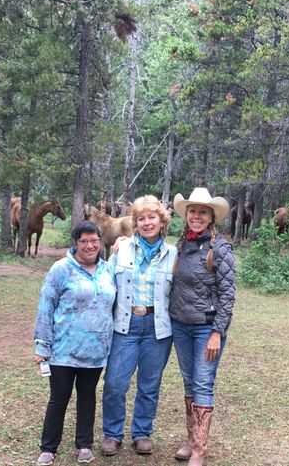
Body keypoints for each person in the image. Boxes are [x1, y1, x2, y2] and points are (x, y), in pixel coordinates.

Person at [34, 221, 116, 466]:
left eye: (94, 240)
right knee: (59, 398)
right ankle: (48, 448)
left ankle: (84, 445)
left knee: (87, 396)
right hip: (63, 349)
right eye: (84, 241)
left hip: (95, 349)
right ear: (76, 243)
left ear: (100, 242)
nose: (89, 245)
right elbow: (46, 306)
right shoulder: (61, 269)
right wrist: (42, 345)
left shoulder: (108, 270)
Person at [101, 195, 177, 456]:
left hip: (158, 326)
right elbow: (105, 281)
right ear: (135, 222)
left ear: (162, 221)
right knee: (114, 382)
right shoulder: (121, 248)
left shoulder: (173, 254)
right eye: (141, 218)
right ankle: (112, 434)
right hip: (125, 324)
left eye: (152, 217)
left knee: (149, 384)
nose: (147, 223)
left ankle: (142, 432)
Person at [170, 187, 235, 466]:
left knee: (203, 383)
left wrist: (217, 333)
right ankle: (191, 439)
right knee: (188, 383)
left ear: (211, 217)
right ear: (187, 215)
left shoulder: (219, 248)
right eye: (192, 211)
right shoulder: (181, 244)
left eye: (202, 212)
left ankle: (199, 449)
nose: (196, 216)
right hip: (181, 326)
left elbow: (228, 294)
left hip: (206, 329)